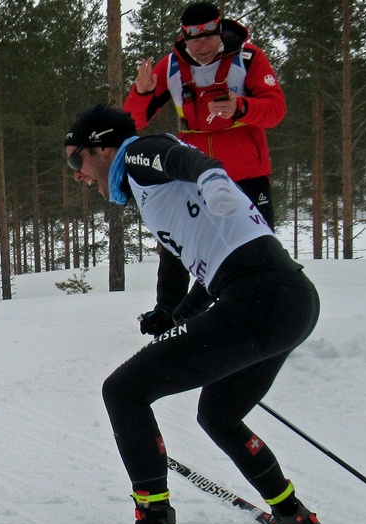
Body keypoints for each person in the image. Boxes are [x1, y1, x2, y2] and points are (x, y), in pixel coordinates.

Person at [59, 104, 328, 524]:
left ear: (102, 149)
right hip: (288, 301)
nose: (77, 176)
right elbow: (203, 261)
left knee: (124, 391)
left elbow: (189, 161)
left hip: (258, 300)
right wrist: (175, 313)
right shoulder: (151, 191)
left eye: (75, 161)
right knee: (219, 415)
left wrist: (214, 180)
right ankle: (294, 517)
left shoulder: (138, 154)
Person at [123, 1, 287, 335]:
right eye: (193, 38)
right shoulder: (171, 67)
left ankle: (265, 310)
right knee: (178, 244)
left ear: (220, 30)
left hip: (246, 170)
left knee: (259, 242)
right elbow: (131, 121)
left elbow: (275, 110)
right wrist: (140, 93)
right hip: (192, 174)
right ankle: (168, 315)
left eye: (208, 36)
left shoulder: (248, 58)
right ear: (183, 38)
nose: (202, 45)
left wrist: (241, 107)